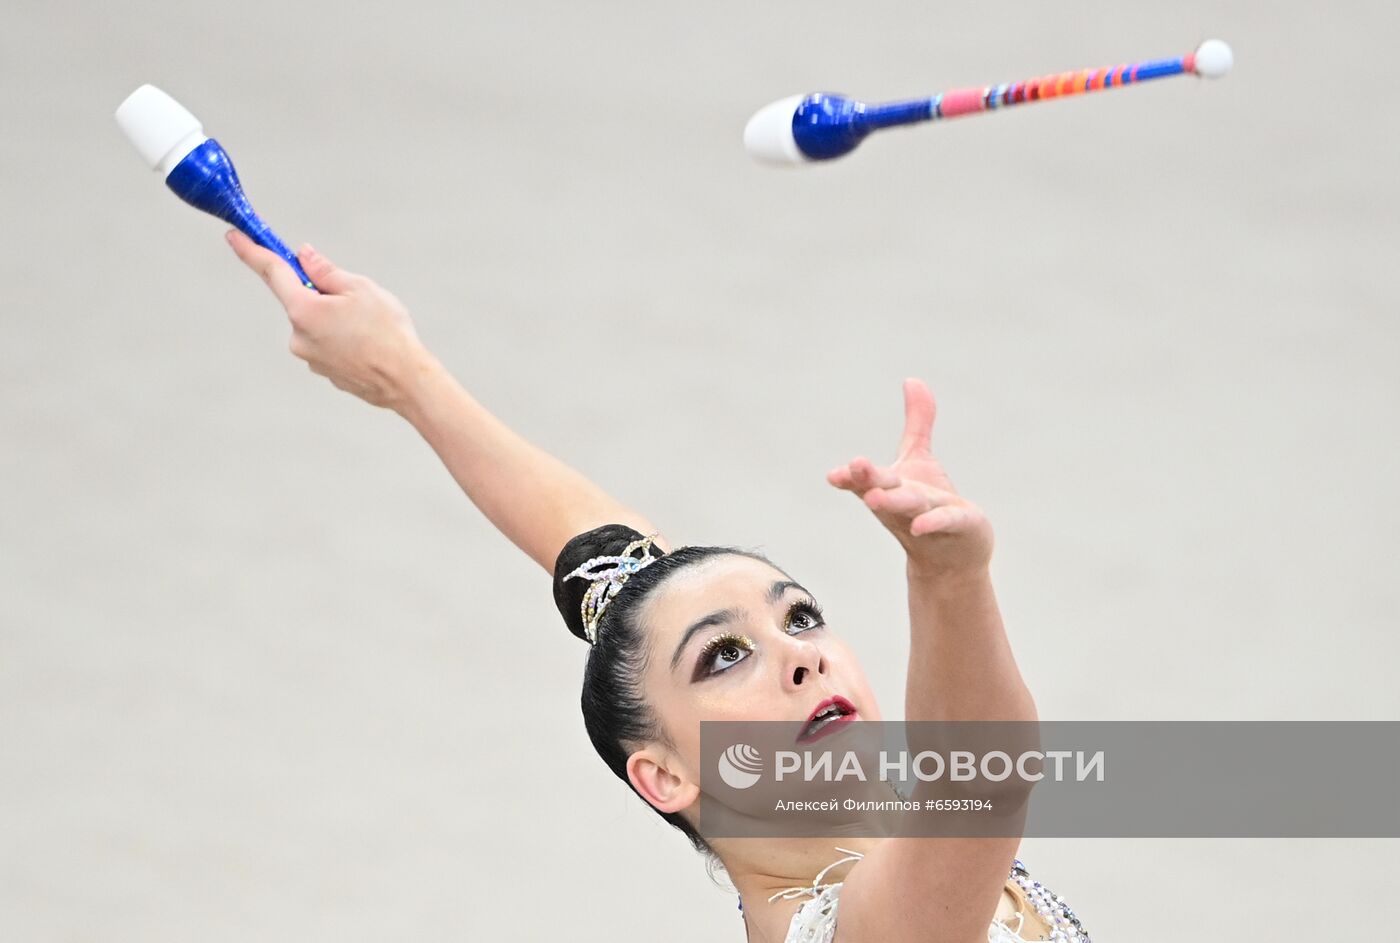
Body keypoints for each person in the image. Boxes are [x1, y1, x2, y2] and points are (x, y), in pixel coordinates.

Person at [226, 231, 1092, 942]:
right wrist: (948, 577)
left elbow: (610, 566)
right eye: (725, 657)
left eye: (801, 616)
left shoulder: (873, 844)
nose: (798, 656)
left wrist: (406, 376)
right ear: (665, 775)